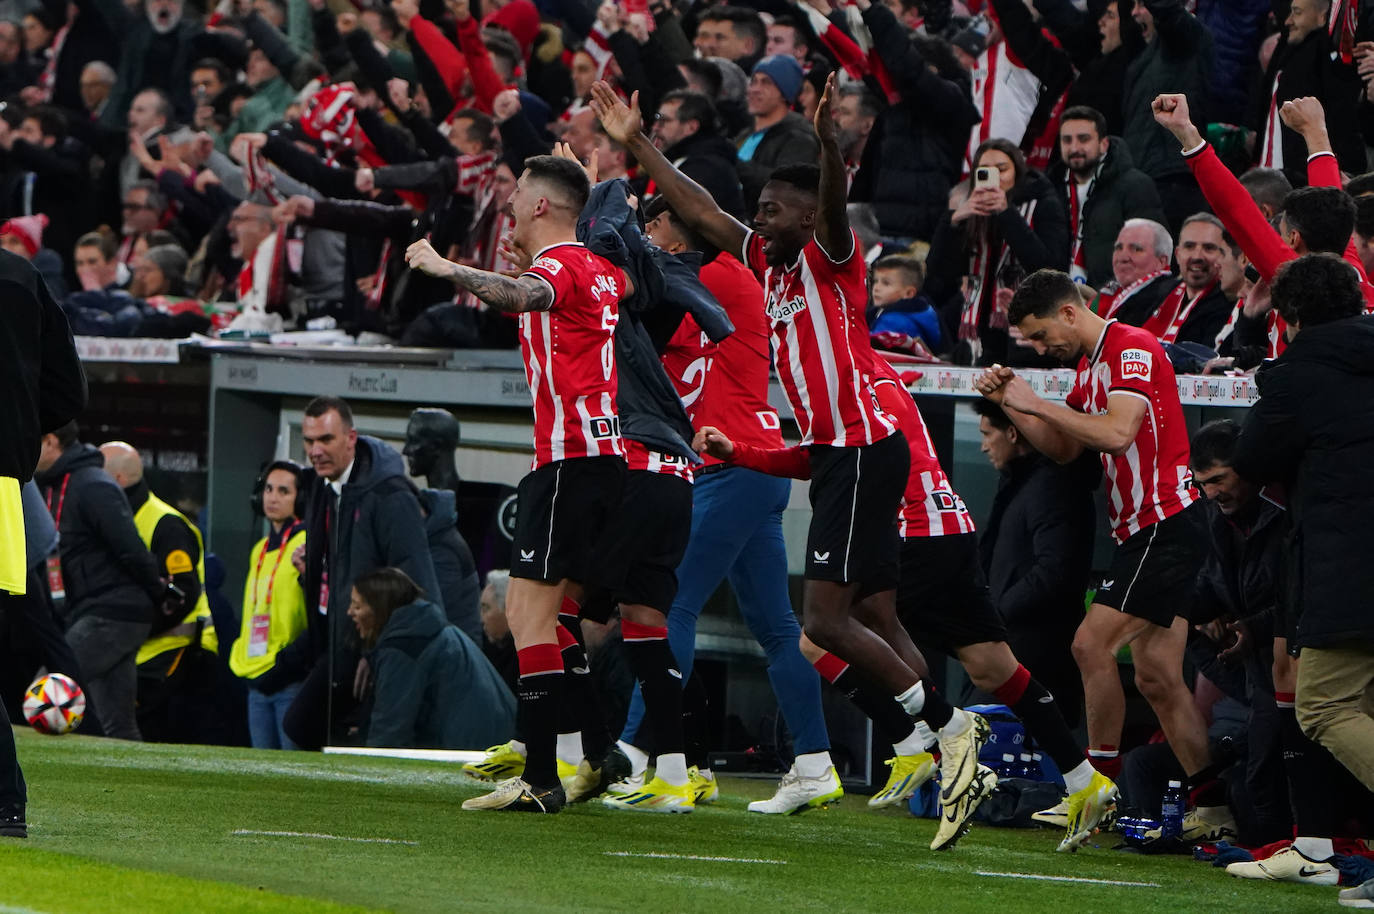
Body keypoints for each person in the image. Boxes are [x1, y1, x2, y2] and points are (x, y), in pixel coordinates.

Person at [590, 75, 989, 838]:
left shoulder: (829, 257)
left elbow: (829, 206)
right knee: (837, 618)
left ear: (809, 217)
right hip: (835, 455)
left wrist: (830, 146)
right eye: (761, 209)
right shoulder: (767, 266)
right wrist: (636, 142)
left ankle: (946, 726)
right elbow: (703, 210)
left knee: (824, 619)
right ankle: (882, 749)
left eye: (775, 210)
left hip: (864, 450)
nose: (760, 220)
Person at [405, 155, 627, 814]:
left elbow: (523, 294)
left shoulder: (560, 266)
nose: (506, 203)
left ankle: (538, 776)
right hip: (600, 462)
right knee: (553, 620)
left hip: (569, 462)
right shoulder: (603, 270)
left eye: (518, 193)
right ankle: (597, 750)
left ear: (542, 207)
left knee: (527, 616)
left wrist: (450, 269)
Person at [975, 268, 1226, 840]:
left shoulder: (1131, 347)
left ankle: (1096, 785)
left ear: (1068, 312)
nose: (1041, 349)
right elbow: (1065, 449)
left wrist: (1033, 397)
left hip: (1167, 522)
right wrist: (1014, 407)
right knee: (1161, 677)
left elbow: (1116, 433)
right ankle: (1214, 804)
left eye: (1040, 337)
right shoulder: (1088, 368)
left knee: (1090, 644)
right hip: (1144, 530)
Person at [1229, 255, 1374, 909]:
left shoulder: (1297, 375)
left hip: (1349, 564)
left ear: (1291, 316)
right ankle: (1324, 848)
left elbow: (1252, 461)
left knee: (1325, 706)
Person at [281, 396, 442, 751]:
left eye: (326, 439)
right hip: (339, 642)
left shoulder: (389, 495)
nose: (315, 451)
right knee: (305, 730)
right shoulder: (325, 489)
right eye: (309, 441)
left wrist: (380, 653)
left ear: (351, 438)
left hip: (377, 649)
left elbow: (415, 584)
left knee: (305, 728)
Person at [0, 243, 85, 838]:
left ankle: (6, 800)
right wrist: (20, 428)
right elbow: (69, 391)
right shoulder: (20, 275)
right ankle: (6, 803)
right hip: (4, 492)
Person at [35, 423, 165, 742]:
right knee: (117, 722)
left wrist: (158, 590)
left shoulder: (92, 484)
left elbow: (130, 548)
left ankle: (33, 780)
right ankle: (133, 787)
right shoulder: (56, 483)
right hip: (98, 609)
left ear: (51, 442)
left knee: (46, 692)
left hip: (114, 611)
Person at [973, 399, 1095, 726]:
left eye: (988, 434)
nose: (983, 446)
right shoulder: (1019, 483)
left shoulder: (1052, 484)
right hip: (1013, 649)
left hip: (1036, 656)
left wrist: (995, 614)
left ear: (1012, 433)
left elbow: (1055, 571)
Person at [98, 440, 218, 743]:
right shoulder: (119, 518)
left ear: (118, 480)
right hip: (135, 652)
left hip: (172, 651)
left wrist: (133, 628)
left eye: (97, 473)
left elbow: (183, 592)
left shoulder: (166, 525)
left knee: (148, 736)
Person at [348, 568, 515, 750]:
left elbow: (389, 732)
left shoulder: (405, 646)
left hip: (478, 750)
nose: (349, 612)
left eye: (357, 606)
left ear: (378, 608)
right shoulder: (424, 629)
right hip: (493, 740)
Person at [229, 460, 309, 751]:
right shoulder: (259, 550)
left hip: (290, 676)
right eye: (268, 489)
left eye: (284, 491)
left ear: (299, 498)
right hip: (255, 676)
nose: (273, 497)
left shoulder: (305, 543)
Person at [1051, 105, 1166, 287]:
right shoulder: (1052, 188)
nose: (1074, 147)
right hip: (1062, 295)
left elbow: (1151, 250)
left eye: (1083, 139)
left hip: (1111, 297)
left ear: (1103, 144)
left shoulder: (1135, 186)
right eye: (1067, 140)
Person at [734, 55, 819, 216]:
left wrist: (733, 162)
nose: (755, 89)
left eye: (766, 82)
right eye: (754, 81)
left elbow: (786, 187)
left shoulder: (800, 138)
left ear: (784, 92)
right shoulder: (744, 134)